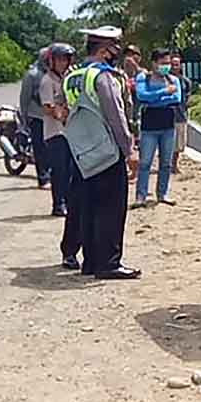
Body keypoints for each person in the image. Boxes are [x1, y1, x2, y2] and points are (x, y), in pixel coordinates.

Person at [62, 26, 141, 280]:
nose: (117, 52)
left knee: (88, 207)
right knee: (111, 209)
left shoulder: (73, 76)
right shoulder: (102, 76)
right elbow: (116, 116)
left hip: (82, 152)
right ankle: (109, 263)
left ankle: (91, 262)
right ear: (105, 49)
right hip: (107, 152)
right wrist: (129, 149)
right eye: (115, 47)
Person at [134, 48, 181, 206]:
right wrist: (164, 92)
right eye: (163, 63)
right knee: (145, 162)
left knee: (166, 163)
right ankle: (141, 196)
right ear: (154, 63)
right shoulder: (143, 78)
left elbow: (176, 98)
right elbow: (141, 95)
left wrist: (154, 98)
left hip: (168, 125)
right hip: (149, 127)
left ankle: (163, 194)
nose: (166, 66)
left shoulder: (174, 80)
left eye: (168, 63)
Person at [40, 43, 76, 218]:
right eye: (60, 59)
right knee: (59, 169)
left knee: (70, 169)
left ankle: (69, 201)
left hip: (69, 131)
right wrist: (62, 114)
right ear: (52, 61)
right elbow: (48, 107)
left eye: (65, 59)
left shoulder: (68, 79)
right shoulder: (47, 81)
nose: (63, 63)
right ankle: (58, 204)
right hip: (55, 131)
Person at [18, 47, 52, 188]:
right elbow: (24, 99)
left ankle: (51, 174)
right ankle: (42, 177)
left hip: (50, 117)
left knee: (51, 148)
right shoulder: (32, 75)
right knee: (39, 148)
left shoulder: (52, 74)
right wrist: (24, 118)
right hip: (36, 117)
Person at [170, 54, 193, 173]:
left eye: (176, 65)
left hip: (180, 115)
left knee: (179, 143)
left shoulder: (185, 82)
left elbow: (189, 97)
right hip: (166, 115)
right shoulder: (164, 80)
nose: (174, 67)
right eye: (172, 64)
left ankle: (174, 164)